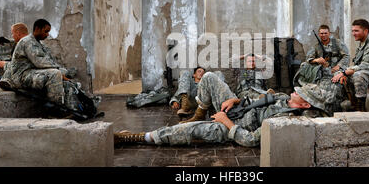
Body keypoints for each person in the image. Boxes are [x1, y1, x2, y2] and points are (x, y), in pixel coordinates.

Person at [113, 71, 332, 147]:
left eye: (300, 93)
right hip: (238, 108)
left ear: (304, 104)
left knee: (190, 132)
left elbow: (251, 140)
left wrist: (226, 122)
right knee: (209, 78)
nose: (295, 91)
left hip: (232, 127)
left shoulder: (286, 120)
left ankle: (138, 137)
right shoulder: (284, 97)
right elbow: (257, 97)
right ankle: (198, 114)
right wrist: (234, 101)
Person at [0, 19, 77, 110]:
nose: (48, 34)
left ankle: (70, 107)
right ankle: (56, 110)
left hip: (31, 72)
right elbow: (40, 62)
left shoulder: (38, 43)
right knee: (55, 74)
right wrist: (60, 73)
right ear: (37, 29)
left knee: (61, 73)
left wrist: (64, 72)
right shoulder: (27, 42)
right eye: (46, 31)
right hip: (21, 77)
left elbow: (47, 61)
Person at [331, 19, 369, 111]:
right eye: (353, 31)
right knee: (338, 74)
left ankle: (360, 107)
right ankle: (351, 102)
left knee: (359, 75)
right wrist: (343, 73)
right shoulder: (362, 44)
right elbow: (358, 66)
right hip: (368, 75)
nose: (353, 33)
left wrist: (345, 72)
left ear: (365, 31)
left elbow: (367, 66)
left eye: (356, 31)